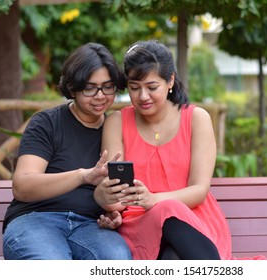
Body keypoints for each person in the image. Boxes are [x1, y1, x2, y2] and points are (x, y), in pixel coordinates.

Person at [95, 40, 231, 260]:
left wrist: (154, 199)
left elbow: (199, 190)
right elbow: (116, 195)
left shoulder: (196, 119)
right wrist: (106, 200)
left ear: (170, 81)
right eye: (134, 87)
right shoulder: (117, 122)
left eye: (152, 87)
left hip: (194, 221)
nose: (143, 97)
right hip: (140, 223)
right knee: (166, 218)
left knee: (172, 252)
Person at [2, 43, 132, 260]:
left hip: (91, 226)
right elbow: (22, 186)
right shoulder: (47, 123)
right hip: (36, 220)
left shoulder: (115, 129)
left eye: (108, 87)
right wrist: (83, 176)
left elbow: (118, 194)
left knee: (118, 259)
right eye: (89, 88)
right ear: (72, 88)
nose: (100, 96)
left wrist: (115, 214)